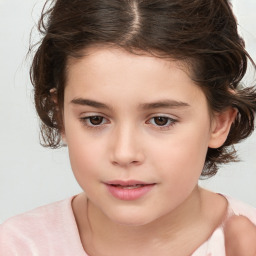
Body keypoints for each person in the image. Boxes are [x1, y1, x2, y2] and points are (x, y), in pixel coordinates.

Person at [0, 0, 256, 255]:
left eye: (161, 120)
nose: (124, 153)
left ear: (219, 122)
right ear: (60, 116)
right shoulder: (17, 246)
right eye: (95, 119)